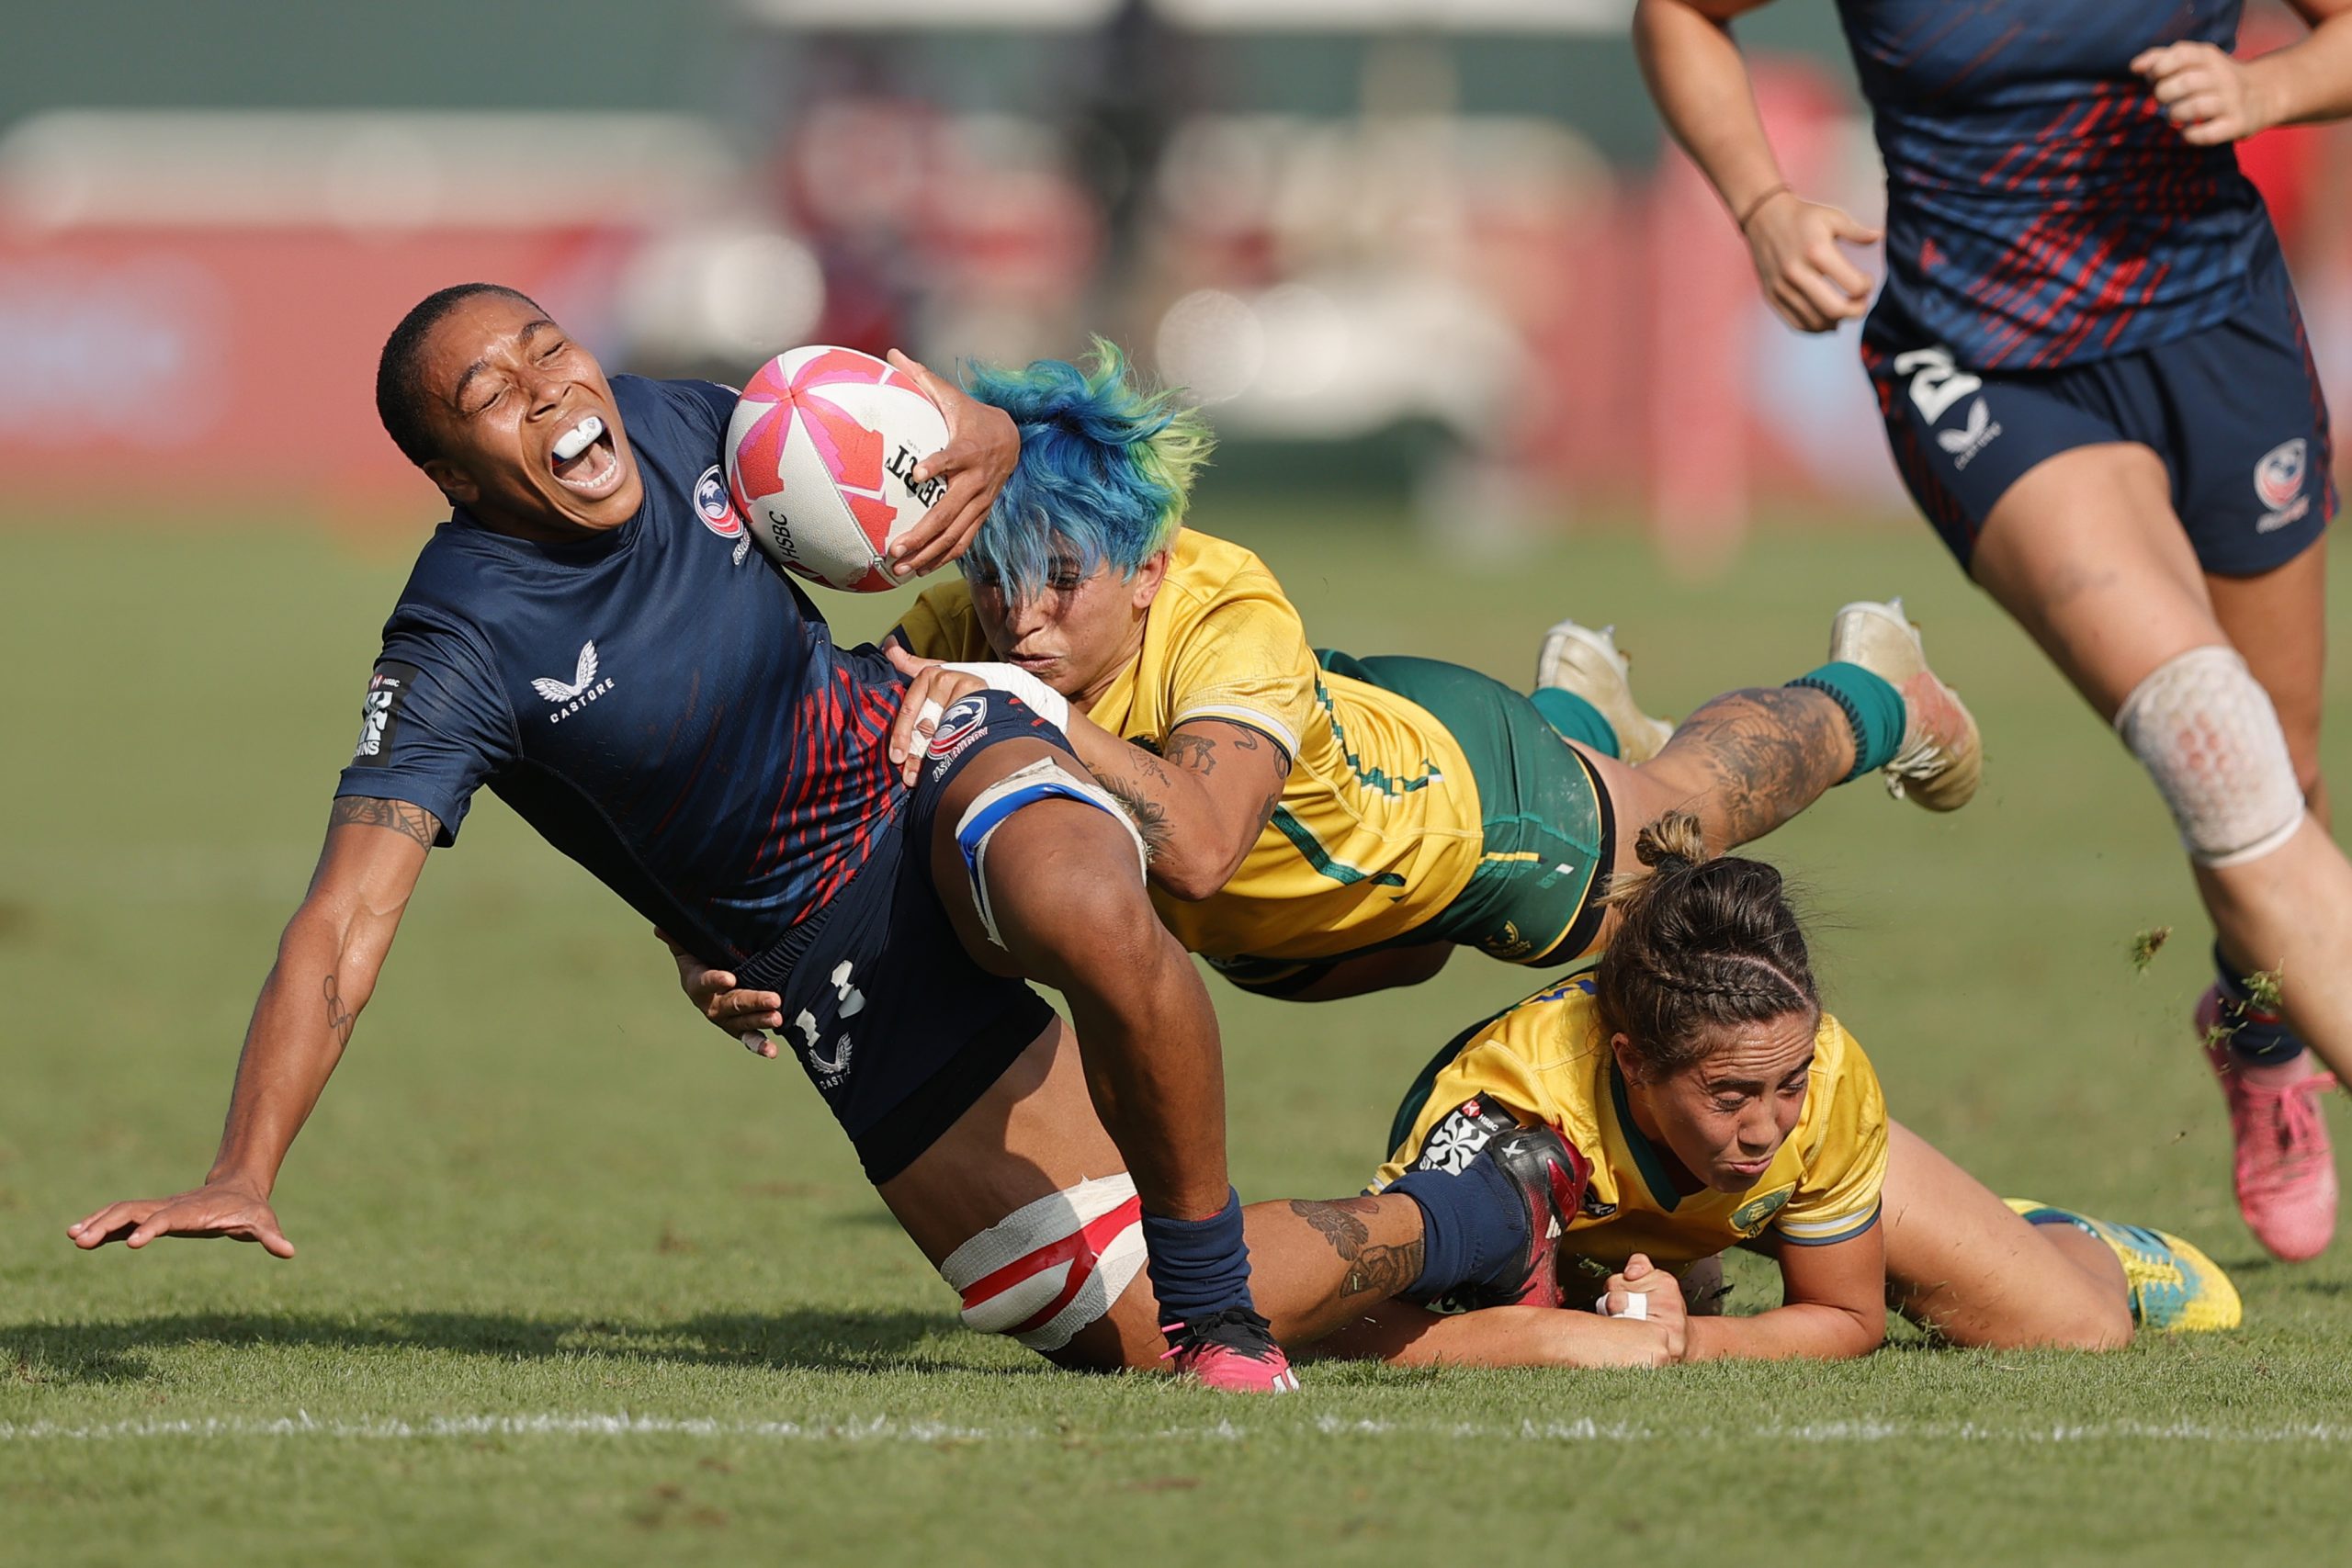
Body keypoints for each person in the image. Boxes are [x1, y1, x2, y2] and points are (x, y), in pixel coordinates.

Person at [62, 284, 1305, 1392]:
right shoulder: (458, 646)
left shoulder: (687, 419)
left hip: (918, 760)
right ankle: (1472, 1225)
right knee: (1101, 1320)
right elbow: (341, 926)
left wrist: (980, 438)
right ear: (452, 474)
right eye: (493, 393)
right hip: (813, 954)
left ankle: (1221, 1302)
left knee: (1086, 906)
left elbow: (955, 427)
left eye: (550, 350)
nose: (549, 390)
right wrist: (242, 1163)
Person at [1630, 0, 2351, 1262]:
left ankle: (2261, 1024)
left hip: (2217, 327)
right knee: (2216, 745)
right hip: (1988, 363)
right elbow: (1680, 13)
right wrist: (1762, 203)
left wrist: (2273, 87)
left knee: (2286, 769)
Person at [701, 344, 1981, 1024]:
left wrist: (1030, 715)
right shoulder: (965, 621)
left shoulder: (1224, 602)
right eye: (998, 581)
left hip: (1472, 815)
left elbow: (1199, 849)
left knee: (1686, 823)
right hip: (1310, 936)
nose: (1020, 619)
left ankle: (1878, 687)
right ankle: (1582, 705)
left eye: (1064, 581)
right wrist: (719, 942)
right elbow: (808, 791)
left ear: (1146, 570)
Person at [1338, 813, 2242, 1366]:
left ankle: (2069, 1240)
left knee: (2080, 1328)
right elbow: (1367, 1318)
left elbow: (1846, 1317)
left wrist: (1687, 1346)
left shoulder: (1827, 1081)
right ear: (1633, 1062)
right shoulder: (1503, 1111)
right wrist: (1575, 1336)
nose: (1767, 1127)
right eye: (1729, 1096)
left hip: (1748, 1206)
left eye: (1789, 1082)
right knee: (1584, 1316)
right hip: (1590, 1228)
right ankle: (1681, 1268)